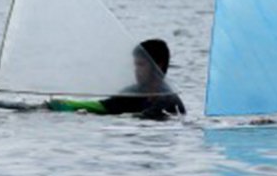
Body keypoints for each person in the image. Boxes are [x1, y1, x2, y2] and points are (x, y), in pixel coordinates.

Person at [44, 39, 186, 119]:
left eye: (141, 65)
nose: (136, 71)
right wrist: (65, 105)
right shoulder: (132, 93)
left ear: (158, 66)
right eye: (135, 65)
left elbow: (142, 118)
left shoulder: (168, 100)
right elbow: (102, 106)